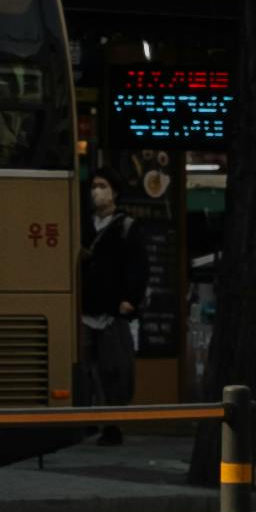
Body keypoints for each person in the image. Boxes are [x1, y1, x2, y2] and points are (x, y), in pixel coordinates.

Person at [79, 168, 149, 409]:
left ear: (114, 192)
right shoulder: (81, 225)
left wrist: (130, 299)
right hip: (85, 308)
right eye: (93, 187)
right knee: (86, 370)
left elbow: (138, 266)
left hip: (112, 311)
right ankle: (89, 419)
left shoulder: (126, 226)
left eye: (102, 186)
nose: (96, 192)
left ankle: (112, 423)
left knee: (114, 369)